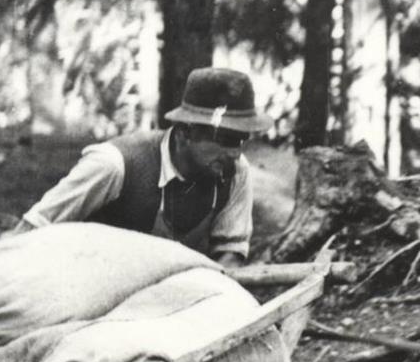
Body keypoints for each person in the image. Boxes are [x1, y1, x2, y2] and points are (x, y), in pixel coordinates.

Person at [16, 68, 271, 267]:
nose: (235, 154)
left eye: (240, 141)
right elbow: (32, 228)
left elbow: (230, 257)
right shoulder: (114, 164)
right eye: (224, 140)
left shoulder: (235, 173)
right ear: (185, 132)